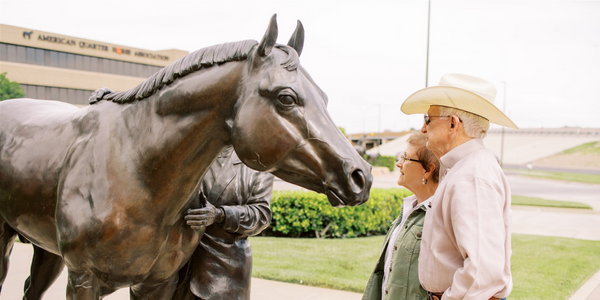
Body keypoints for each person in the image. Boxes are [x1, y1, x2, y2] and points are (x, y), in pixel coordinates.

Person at [400, 73, 518, 300]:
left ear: (452, 124)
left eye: (428, 119)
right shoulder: (467, 169)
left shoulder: (472, 176)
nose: (423, 129)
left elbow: (482, 275)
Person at [172, 146, 274, 300]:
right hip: (178, 268)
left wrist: (221, 214)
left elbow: (261, 214)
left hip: (224, 271)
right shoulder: (193, 152)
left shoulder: (259, 166)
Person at [362, 131, 440, 300]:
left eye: (405, 158)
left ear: (428, 170)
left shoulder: (438, 217)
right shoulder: (408, 209)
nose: (399, 164)